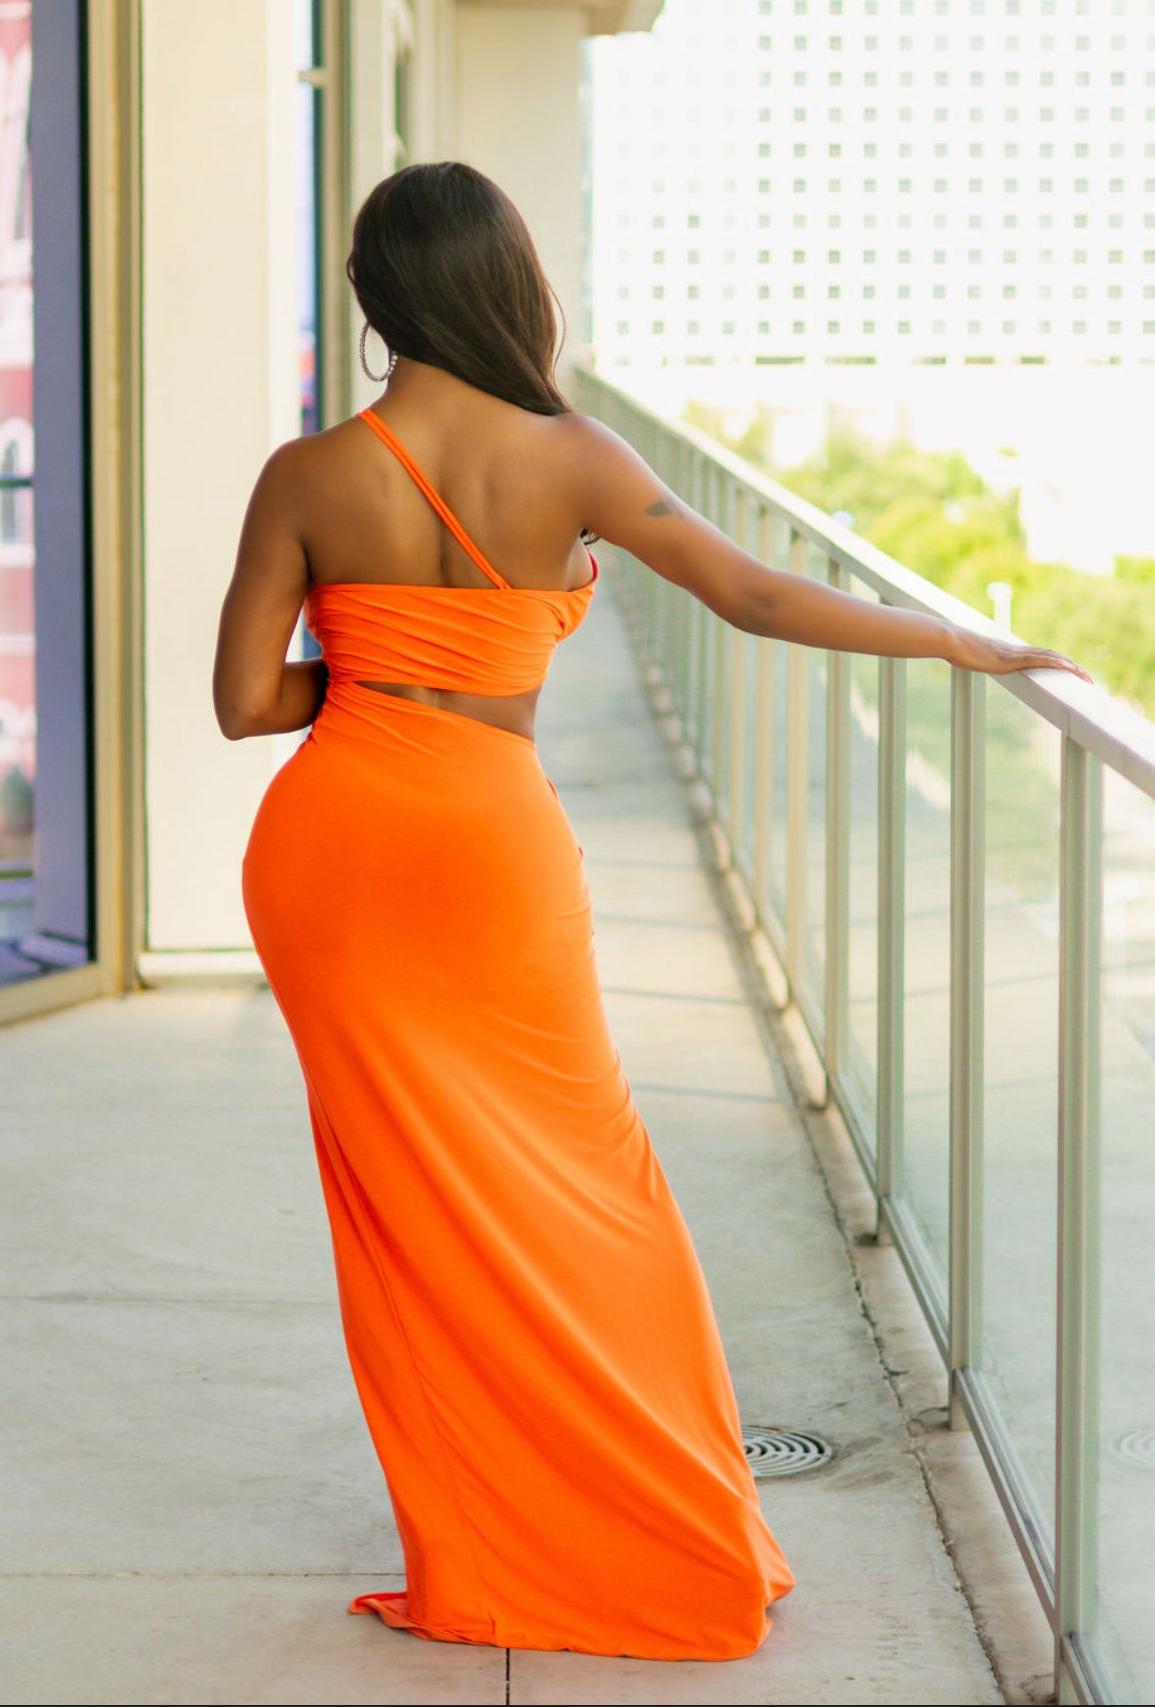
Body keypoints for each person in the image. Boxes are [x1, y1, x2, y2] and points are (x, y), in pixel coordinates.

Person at [213, 162, 1087, 1662]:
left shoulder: (308, 474)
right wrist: (953, 640)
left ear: (371, 297)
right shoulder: (577, 458)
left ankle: (486, 1543)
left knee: (409, 1207)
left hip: (334, 840)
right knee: (587, 1179)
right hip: (492, 844)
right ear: (509, 284)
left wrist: (371, 685)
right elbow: (753, 597)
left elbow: (244, 705)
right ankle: (643, 1517)